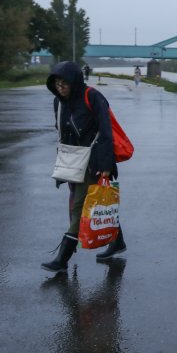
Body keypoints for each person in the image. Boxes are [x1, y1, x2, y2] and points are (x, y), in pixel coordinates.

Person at [43, 61, 127, 272]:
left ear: (74, 81)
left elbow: (106, 132)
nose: (60, 87)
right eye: (57, 84)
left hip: (94, 162)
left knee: (79, 207)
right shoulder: (59, 102)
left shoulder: (93, 97)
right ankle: (117, 241)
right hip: (74, 162)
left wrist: (106, 165)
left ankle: (62, 259)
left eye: (64, 83)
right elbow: (62, 132)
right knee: (97, 205)